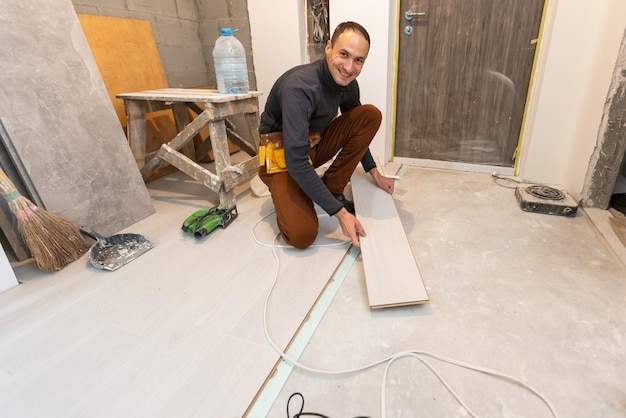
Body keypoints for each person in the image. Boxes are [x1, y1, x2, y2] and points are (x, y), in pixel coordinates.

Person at [258, 21, 395, 249]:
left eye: (358, 60)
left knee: (369, 115)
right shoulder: (299, 88)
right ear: (329, 47)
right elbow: (296, 161)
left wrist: (375, 173)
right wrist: (340, 213)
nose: (350, 67)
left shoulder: (348, 84)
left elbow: (359, 126)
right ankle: (291, 190)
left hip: (311, 147)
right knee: (302, 235)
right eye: (344, 54)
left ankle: (331, 187)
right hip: (281, 161)